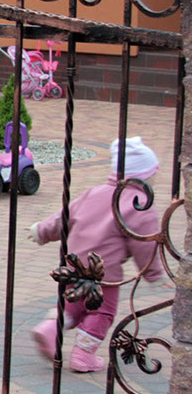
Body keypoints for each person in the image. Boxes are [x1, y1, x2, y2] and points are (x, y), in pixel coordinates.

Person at [26, 137, 169, 373]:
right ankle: (83, 355)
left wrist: (42, 230)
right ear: (143, 176)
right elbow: (144, 243)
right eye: (153, 173)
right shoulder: (139, 203)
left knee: (73, 304)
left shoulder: (95, 192)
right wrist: (153, 275)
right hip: (103, 273)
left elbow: (66, 215)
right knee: (101, 311)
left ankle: (50, 328)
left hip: (74, 266)